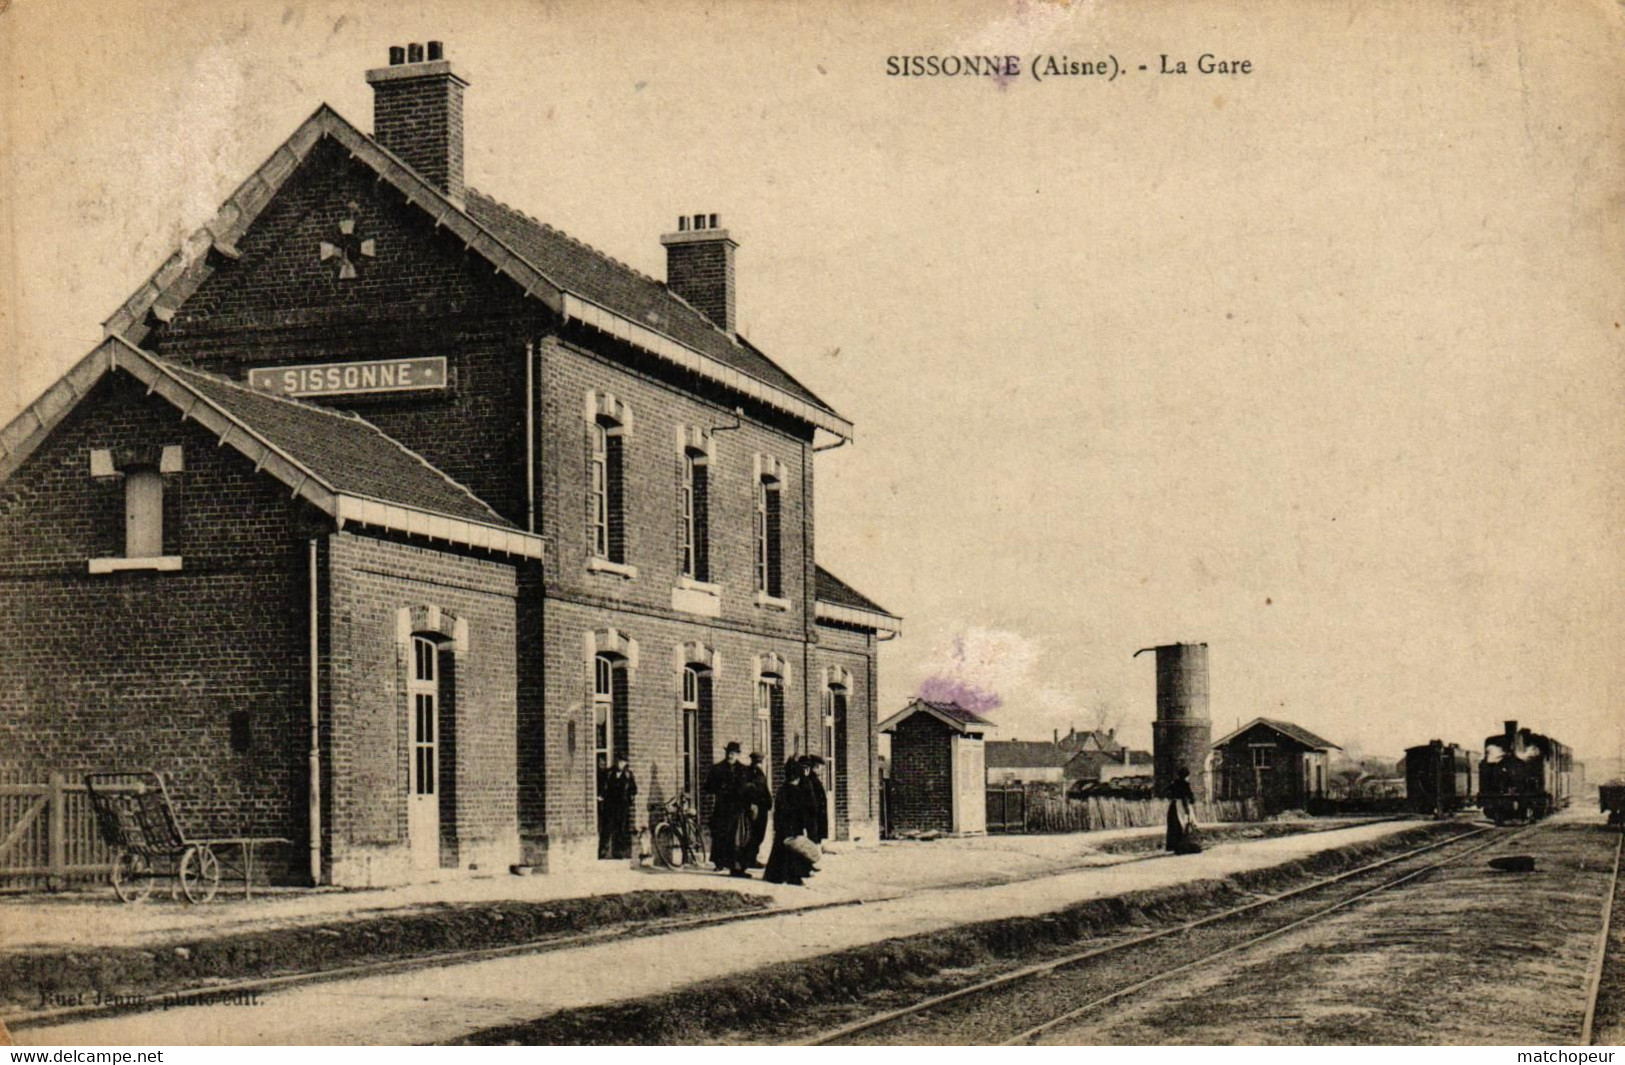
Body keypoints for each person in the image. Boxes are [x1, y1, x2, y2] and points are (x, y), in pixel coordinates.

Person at [764, 758, 818, 886]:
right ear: (797, 777)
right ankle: (794, 877)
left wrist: (777, 825)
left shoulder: (781, 790)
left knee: (780, 849)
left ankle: (776, 875)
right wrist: (804, 825)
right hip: (795, 826)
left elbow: (778, 810)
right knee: (794, 851)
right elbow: (803, 811)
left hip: (782, 827)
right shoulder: (799, 792)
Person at [704, 741, 753, 877]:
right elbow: (707, 787)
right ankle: (720, 862)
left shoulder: (744, 770)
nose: (730, 755)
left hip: (738, 809)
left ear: (738, 755)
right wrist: (720, 788)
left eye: (733, 753)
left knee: (737, 838)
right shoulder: (717, 769)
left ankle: (736, 866)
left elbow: (749, 790)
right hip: (722, 808)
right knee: (721, 835)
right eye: (728, 752)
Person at [598, 753, 638, 860]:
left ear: (625, 763)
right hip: (610, 805)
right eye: (619, 761)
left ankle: (618, 852)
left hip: (622, 806)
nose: (620, 764)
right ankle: (603, 851)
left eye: (623, 762)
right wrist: (601, 796)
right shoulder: (610, 773)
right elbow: (603, 786)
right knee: (607, 828)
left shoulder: (628, 775)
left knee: (620, 829)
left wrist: (630, 797)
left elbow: (634, 789)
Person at [742, 752, 773, 869]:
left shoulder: (761, 773)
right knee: (752, 835)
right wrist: (751, 804)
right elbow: (746, 791)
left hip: (762, 808)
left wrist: (769, 803)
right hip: (753, 808)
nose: (758, 764)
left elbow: (765, 789)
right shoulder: (746, 773)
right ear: (752, 761)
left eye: (760, 762)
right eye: (756, 762)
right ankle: (748, 860)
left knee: (760, 835)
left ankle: (752, 858)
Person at [1166, 766, 1200, 854]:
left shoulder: (1174, 783)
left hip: (1174, 805)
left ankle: (1174, 845)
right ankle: (1184, 845)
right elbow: (1188, 796)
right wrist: (1189, 806)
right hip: (1182, 805)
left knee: (1174, 825)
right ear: (1186, 776)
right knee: (1184, 824)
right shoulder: (1185, 784)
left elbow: (1168, 792)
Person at [801, 754, 830, 845]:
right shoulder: (811, 779)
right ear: (816, 766)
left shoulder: (814, 779)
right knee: (813, 838)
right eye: (821, 767)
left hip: (817, 814)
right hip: (814, 815)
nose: (822, 770)